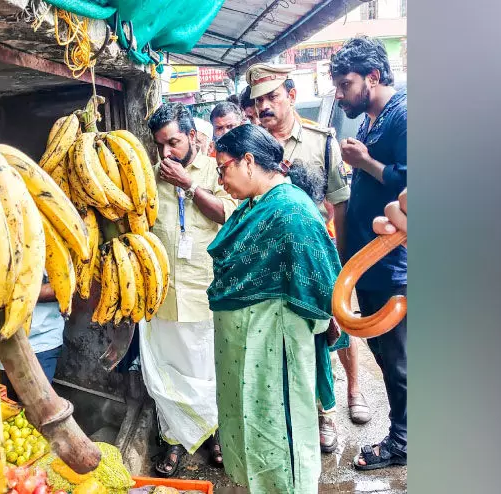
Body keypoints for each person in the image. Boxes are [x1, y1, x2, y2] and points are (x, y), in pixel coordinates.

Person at [207, 124, 342, 493]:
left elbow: (323, 281)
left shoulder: (291, 212)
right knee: (249, 426)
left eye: (223, 168)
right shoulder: (256, 205)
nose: (221, 180)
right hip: (244, 350)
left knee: (278, 433)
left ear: (248, 161)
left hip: (276, 347)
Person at [246, 62, 370, 452]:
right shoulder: (251, 144)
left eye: (272, 97)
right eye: (258, 100)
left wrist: (346, 262)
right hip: (276, 262)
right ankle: (320, 411)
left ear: (291, 96)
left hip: (320, 254)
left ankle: (353, 390)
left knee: (340, 324)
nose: (264, 106)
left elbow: (340, 203)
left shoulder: (322, 141)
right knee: (304, 338)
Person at [143, 102, 238, 477]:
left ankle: (214, 435)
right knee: (167, 374)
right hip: (162, 296)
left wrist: (189, 185)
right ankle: (174, 439)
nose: (166, 153)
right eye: (160, 145)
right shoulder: (149, 176)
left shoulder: (218, 172)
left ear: (194, 137)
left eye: (174, 142)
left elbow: (227, 214)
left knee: (208, 371)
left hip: (207, 293)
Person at [329, 36, 407, 470]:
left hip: (394, 264)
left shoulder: (404, 116)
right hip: (372, 264)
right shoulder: (371, 121)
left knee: (397, 362)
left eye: (345, 84)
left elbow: (414, 181)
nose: (340, 95)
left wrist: (366, 166)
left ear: (372, 77)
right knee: (386, 354)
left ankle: (403, 442)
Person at [0, 271, 65, 400]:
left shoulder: (59, 251)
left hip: (40, 342)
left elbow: (69, 286)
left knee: (37, 406)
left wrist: (16, 294)